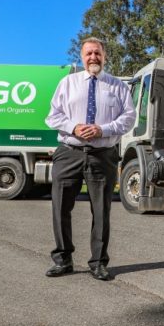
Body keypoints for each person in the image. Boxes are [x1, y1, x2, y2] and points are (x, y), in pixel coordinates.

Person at [44, 37, 135, 281]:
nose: (93, 57)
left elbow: (129, 119)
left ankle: (98, 263)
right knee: (60, 207)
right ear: (82, 57)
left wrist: (102, 129)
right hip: (69, 152)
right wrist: (74, 127)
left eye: (97, 53)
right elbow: (52, 117)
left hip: (102, 155)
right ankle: (62, 260)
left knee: (101, 211)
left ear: (105, 56)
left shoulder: (117, 86)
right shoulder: (68, 83)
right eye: (88, 53)